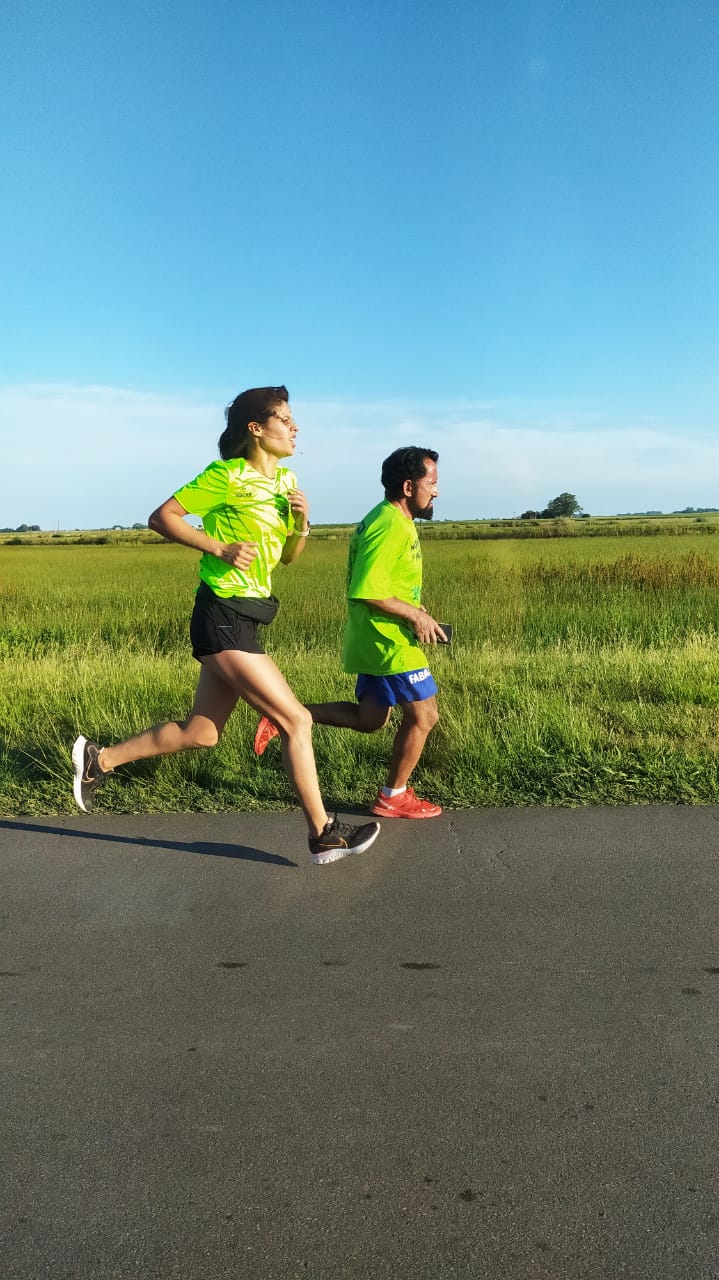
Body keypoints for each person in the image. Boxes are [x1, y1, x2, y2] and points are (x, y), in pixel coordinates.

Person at [71, 385, 380, 866]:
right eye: (286, 419)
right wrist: (219, 548)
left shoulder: (286, 483)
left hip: (248, 617)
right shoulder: (227, 476)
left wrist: (301, 524)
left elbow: (287, 558)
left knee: (203, 732)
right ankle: (323, 833)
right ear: (256, 429)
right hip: (222, 614)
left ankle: (100, 759)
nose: (295, 427)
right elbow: (162, 517)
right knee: (295, 719)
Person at [254, 446, 445, 818]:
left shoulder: (392, 520)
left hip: (377, 637)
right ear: (409, 486)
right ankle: (393, 796)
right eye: (432, 482)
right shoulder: (388, 524)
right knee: (425, 716)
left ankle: (285, 715)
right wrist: (416, 617)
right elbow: (366, 589)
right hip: (387, 641)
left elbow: (382, 584)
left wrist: (413, 608)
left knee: (370, 719)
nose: (436, 491)